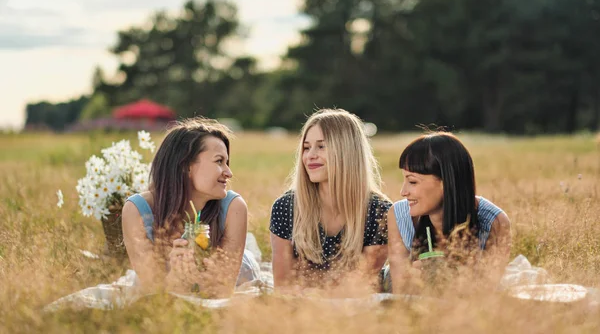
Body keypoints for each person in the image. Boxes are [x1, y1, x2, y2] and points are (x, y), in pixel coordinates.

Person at [122, 117, 260, 297]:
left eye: (227, 162)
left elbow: (223, 292)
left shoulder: (234, 207)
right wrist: (175, 277)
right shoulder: (137, 210)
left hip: (236, 277)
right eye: (219, 161)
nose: (229, 172)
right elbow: (154, 296)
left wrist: (208, 279)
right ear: (185, 165)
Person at [270, 108, 392, 292]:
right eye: (306, 147)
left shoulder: (380, 211)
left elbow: (360, 284)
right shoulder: (286, 207)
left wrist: (308, 278)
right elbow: (283, 284)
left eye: (321, 146)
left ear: (346, 150)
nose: (310, 155)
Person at [386, 132, 511, 294]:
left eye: (412, 181)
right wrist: (411, 280)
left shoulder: (495, 222)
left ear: (446, 182)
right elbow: (399, 293)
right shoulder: (399, 215)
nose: (403, 191)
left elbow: (487, 293)